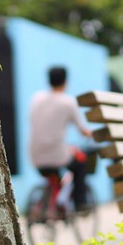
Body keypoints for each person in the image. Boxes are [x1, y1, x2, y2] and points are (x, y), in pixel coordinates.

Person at [29, 66, 92, 211]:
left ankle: (51, 204)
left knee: (55, 177)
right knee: (81, 161)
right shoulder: (68, 102)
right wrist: (92, 134)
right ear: (65, 81)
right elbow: (83, 130)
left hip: (35, 155)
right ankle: (80, 203)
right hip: (57, 155)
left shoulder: (36, 99)